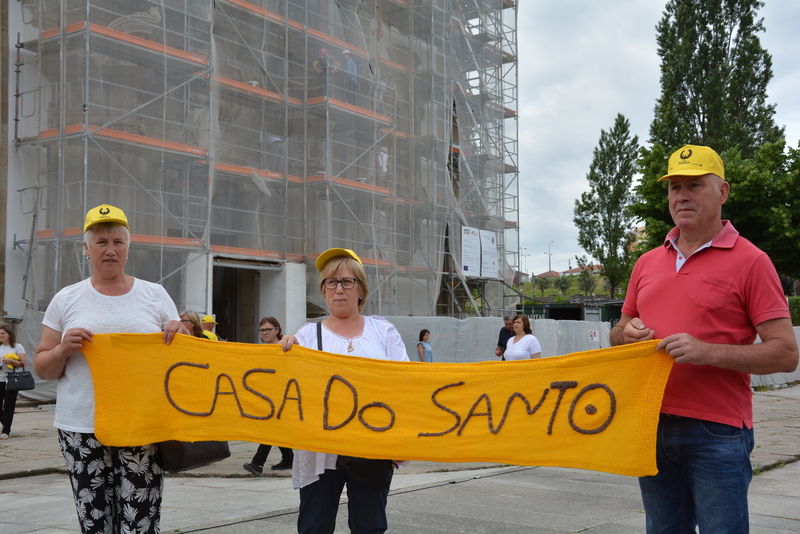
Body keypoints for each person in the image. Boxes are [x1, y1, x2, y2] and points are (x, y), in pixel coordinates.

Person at [610, 145, 799, 533]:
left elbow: (786, 353)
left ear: (723, 192)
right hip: (652, 424)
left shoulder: (752, 261)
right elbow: (617, 332)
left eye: (695, 185)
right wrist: (626, 335)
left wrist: (706, 351)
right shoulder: (646, 262)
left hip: (718, 432)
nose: (682, 195)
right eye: (674, 186)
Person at [34, 204, 189, 534]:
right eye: (101, 242)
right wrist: (63, 348)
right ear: (86, 249)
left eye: (117, 242)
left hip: (141, 427)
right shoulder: (66, 299)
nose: (110, 250)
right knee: (94, 522)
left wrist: (184, 338)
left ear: (128, 248)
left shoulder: (155, 295)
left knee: (139, 520)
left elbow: (182, 362)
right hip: (81, 428)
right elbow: (43, 369)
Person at [280, 247, 409, 534]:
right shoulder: (306, 336)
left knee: (370, 527)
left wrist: (399, 442)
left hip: (371, 447)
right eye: (331, 282)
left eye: (347, 282)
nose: (339, 289)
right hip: (320, 451)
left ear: (361, 289)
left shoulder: (383, 331)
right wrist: (283, 357)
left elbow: (406, 383)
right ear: (323, 290)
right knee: (315, 527)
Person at [243, 316, 294, 475]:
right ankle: (288, 459)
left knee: (270, 428)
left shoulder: (285, 344)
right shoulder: (262, 349)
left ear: (277, 330)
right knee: (275, 428)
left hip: (283, 394)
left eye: (267, 329)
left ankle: (257, 463)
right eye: (261, 330)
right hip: (267, 394)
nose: (264, 333)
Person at [0, 324, 27, 440]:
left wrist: (11, 361)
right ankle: (5, 423)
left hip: (11, 379)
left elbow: (23, 363)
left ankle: (6, 431)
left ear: (9, 335)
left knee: (9, 406)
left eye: (3, 333)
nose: (0, 335)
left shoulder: (17, 347)